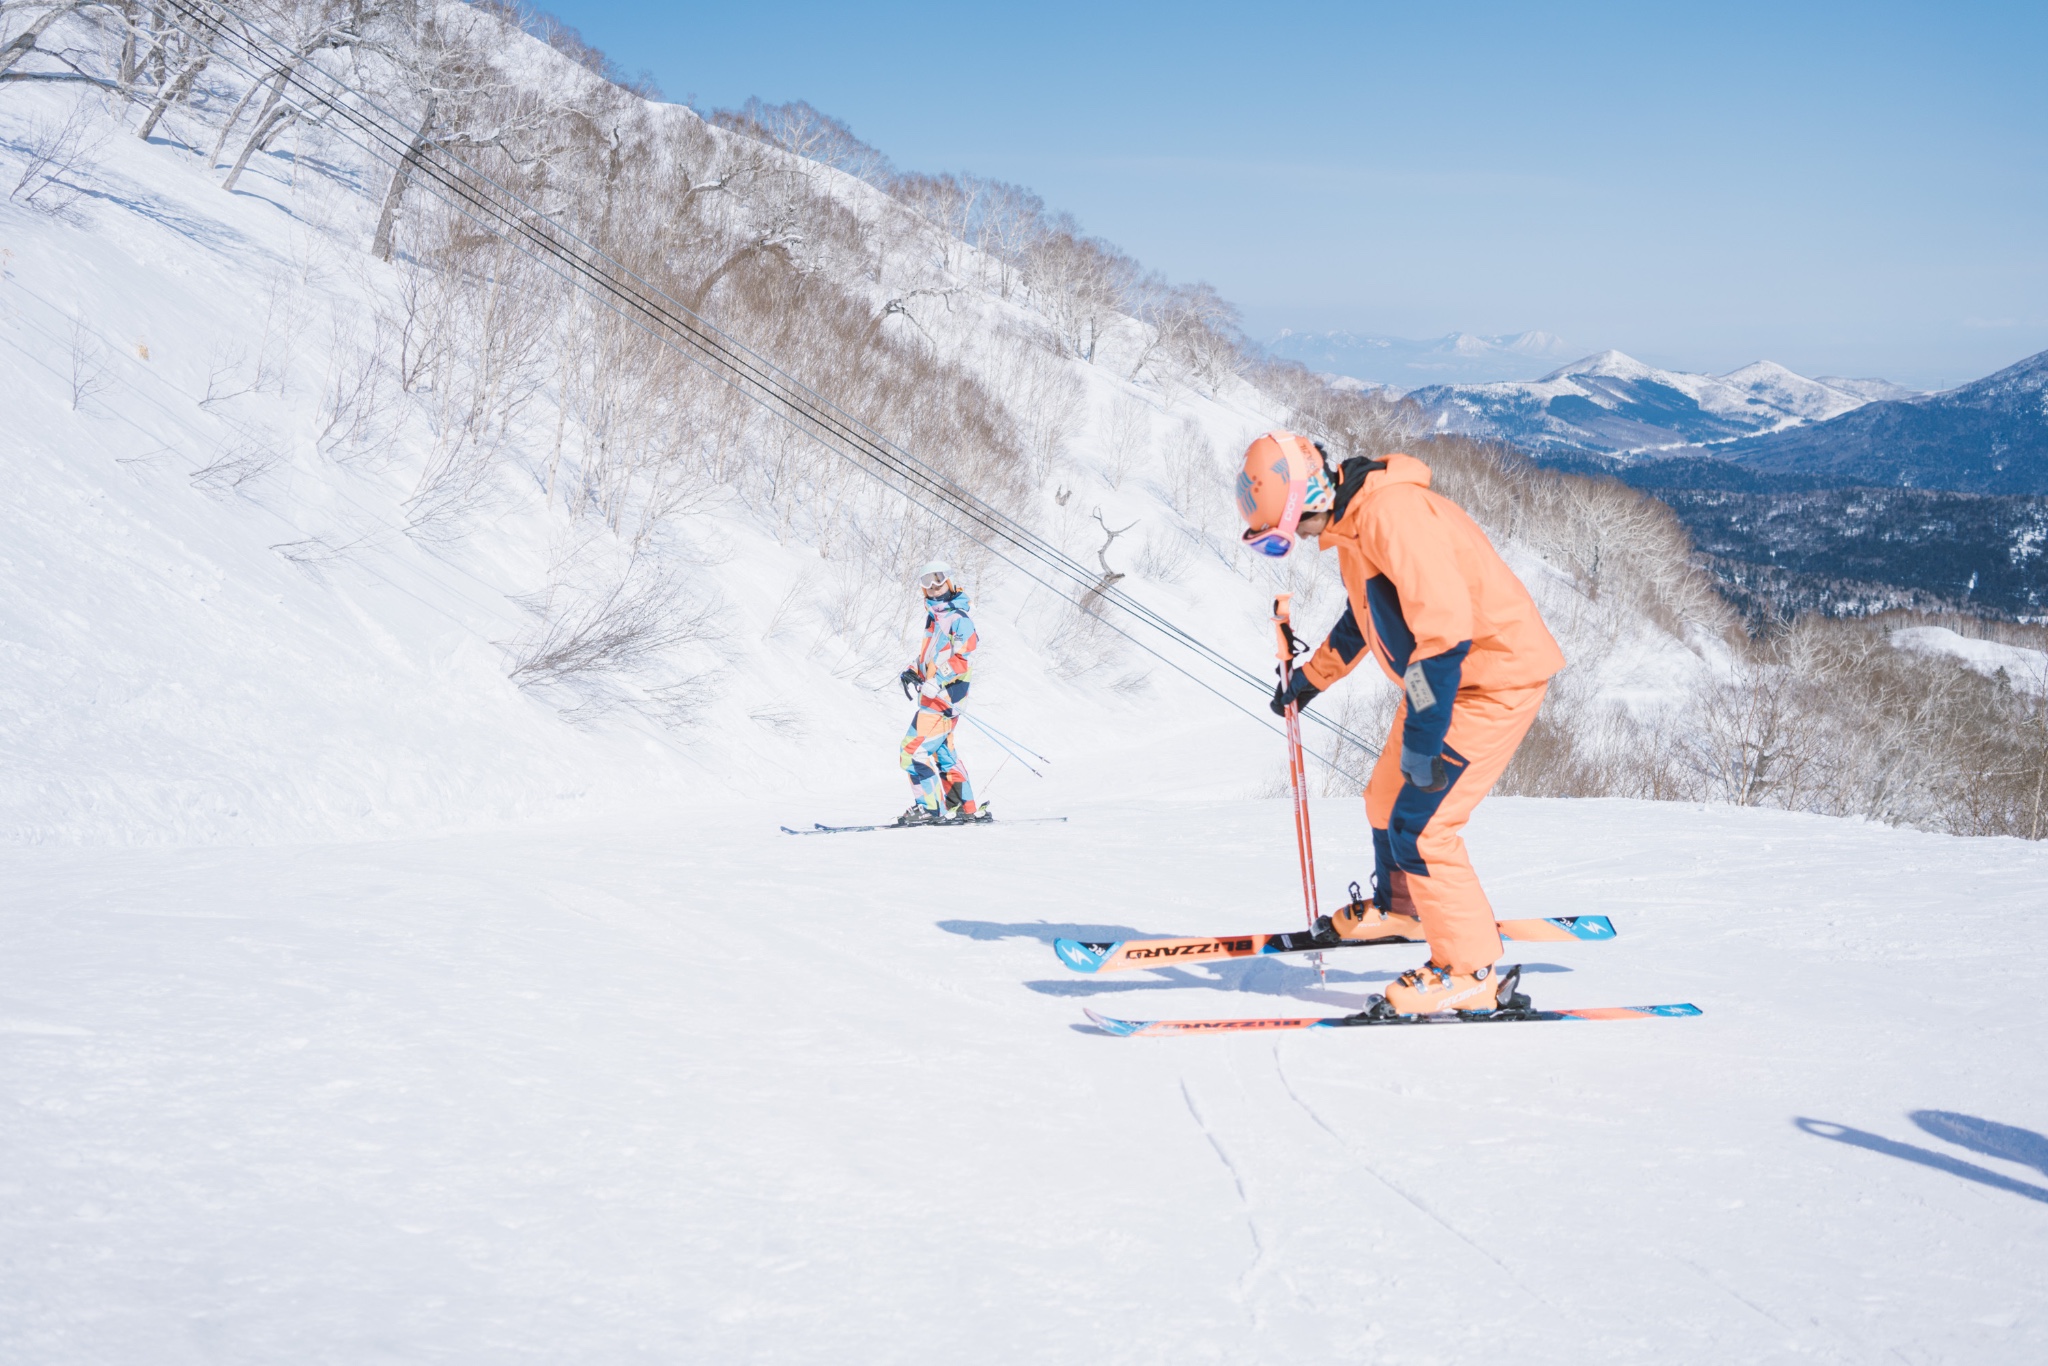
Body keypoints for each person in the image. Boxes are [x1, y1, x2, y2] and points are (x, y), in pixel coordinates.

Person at [1236, 430, 1565, 1015]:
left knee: (1424, 826)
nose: (1295, 545)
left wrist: (1423, 742)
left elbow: (1443, 636)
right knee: (1384, 800)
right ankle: (1404, 908)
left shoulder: (1393, 516)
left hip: (1489, 682)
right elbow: (1365, 616)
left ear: (1303, 500)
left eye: (1281, 539)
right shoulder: (1354, 526)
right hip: (1443, 681)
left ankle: (1470, 971)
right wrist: (1310, 679)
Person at [894, 561, 987, 826]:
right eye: (926, 582)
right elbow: (931, 656)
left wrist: (939, 680)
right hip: (938, 698)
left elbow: (963, 657)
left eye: (938, 580)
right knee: (943, 753)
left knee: (912, 752)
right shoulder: (935, 617)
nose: (933, 588)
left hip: (944, 699)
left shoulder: (958, 617)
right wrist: (914, 670)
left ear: (950, 582)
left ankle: (929, 808)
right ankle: (964, 807)